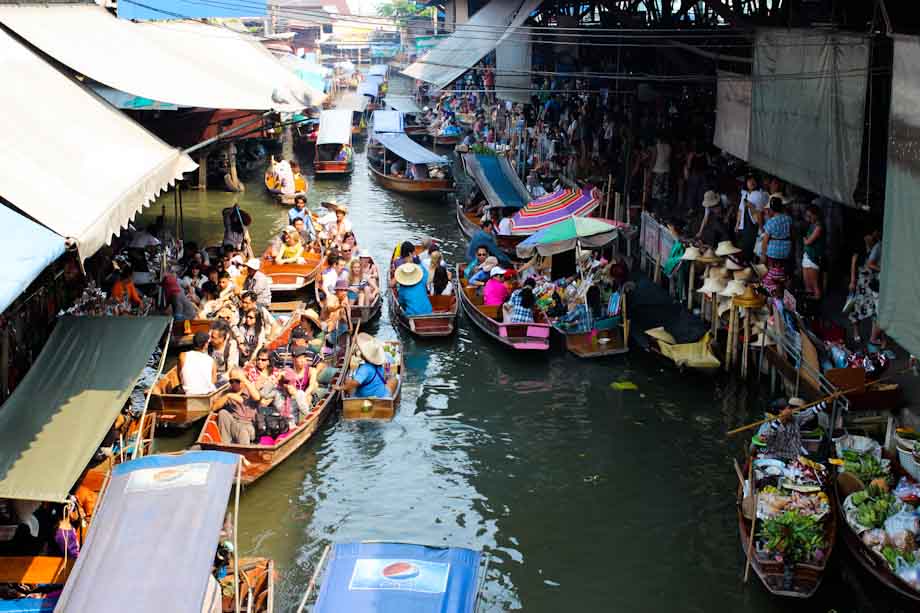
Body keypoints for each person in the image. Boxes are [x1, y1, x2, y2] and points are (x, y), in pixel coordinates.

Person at [761, 400, 828, 461]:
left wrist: (826, 402)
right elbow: (766, 437)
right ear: (781, 412)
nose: (791, 411)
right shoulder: (773, 425)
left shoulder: (795, 419)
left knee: (821, 458)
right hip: (779, 458)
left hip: (796, 456)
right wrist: (780, 420)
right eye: (789, 409)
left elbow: (810, 412)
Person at [848, 228, 883, 345]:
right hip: (860, 282)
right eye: (871, 234)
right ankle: (856, 332)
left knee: (873, 309)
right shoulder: (860, 248)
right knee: (856, 307)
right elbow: (853, 264)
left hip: (872, 282)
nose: (872, 237)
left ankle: (873, 336)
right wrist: (852, 281)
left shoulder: (876, 247)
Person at [337, 333, 396, 399]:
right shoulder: (379, 365)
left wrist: (341, 388)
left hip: (363, 396)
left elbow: (355, 383)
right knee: (393, 380)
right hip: (380, 395)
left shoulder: (365, 368)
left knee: (348, 381)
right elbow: (384, 377)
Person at [214, 368, 261, 445]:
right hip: (233, 423)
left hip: (247, 425)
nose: (234, 384)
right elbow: (214, 408)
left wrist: (244, 379)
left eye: (237, 381)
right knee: (223, 413)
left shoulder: (250, 391)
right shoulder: (227, 393)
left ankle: (244, 451)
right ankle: (225, 445)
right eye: (231, 381)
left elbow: (257, 397)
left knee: (241, 429)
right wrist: (228, 396)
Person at [760, 198, 792, 294]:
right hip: (786, 249)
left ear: (771, 209)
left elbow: (765, 240)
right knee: (783, 273)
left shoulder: (770, 222)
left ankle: (773, 292)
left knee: (772, 273)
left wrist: (763, 254)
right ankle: (783, 292)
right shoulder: (788, 219)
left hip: (773, 252)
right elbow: (792, 234)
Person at [802, 204, 825, 300]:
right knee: (807, 285)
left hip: (814, 257)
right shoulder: (812, 225)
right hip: (807, 255)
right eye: (807, 216)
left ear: (816, 215)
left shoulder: (819, 227)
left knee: (814, 284)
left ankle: (817, 304)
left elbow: (808, 242)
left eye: (810, 216)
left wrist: (804, 239)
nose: (808, 218)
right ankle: (809, 304)